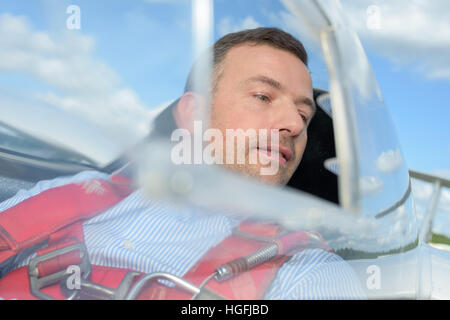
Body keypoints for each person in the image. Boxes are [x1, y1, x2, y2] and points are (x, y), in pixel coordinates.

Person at [0, 27, 365, 299]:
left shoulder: (305, 273)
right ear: (193, 114)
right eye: (263, 96)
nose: (295, 124)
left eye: (304, 113)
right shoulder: (69, 193)